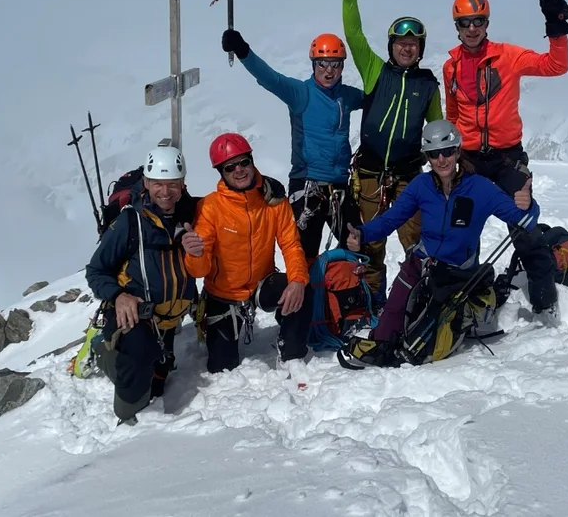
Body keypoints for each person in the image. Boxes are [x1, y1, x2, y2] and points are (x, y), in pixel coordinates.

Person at [345, 120, 537, 362]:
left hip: (457, 275)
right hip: (420, 264)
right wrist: (363, 234)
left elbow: (524, 222)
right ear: (428, 157)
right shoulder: (421, 186)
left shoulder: (480, 188)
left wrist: (528, 204)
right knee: (385, 330)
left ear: (458, 151)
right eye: (434, 154)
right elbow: (390, 220)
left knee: (424, 344)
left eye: (447, 152)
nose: (442, 159)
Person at [440, 0, 568, 319]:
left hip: (507, 160)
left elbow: (556, 66)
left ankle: (545, 305)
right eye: (465, 22)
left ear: (487, 23)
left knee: (526, 228)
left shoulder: (508, 56)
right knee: (460, 231)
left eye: (478, 21)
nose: (472, 29)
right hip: (469, 161)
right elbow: (454, 115)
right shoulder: (451, 67)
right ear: (456, 26)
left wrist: (556, 28)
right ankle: (463, 300)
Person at [340, 0, 444, 302]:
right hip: (369, 174)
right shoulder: (375, 70)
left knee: (415, 240)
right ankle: (371, 304)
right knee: (371, 241)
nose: (406, 48)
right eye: (401, 43)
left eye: (412, 43)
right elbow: (354, 36)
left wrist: (447, 169)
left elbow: (437, 131)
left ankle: (415, 299)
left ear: (420, 49)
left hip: (410, 177)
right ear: (392, 46)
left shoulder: (428, 85)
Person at [220, 29, 365, 267]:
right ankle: (303, 303)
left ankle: (342, 301)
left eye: (335, 64)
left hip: (340, 187)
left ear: (342, 66)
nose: (329, 70)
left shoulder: (347, 96)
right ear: (313, 64)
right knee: (302, 257)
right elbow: (270, 78)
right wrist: (242, 50)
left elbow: (376, 99)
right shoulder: (301, 93)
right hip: (308, 186)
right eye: (323, 63)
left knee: (356, 248)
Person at [84, 145, 199, 424]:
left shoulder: (193, 215)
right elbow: (96, 270)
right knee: (136, 396)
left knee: (158, 382)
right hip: (135, 317)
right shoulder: (129, 222)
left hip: (168, 322)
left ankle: (139, 357)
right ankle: (105, 353)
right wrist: (119, 296)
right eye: (158, 183)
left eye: (172, 183)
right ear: (146, 183)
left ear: (182, 184)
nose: (165, 191)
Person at [182, 132, 313, 374]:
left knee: (303, 287)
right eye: (230, 167)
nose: (239, 170)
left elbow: (291, 244)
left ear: (252, 161)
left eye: (244, 162)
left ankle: (291, 352)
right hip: (223, 295)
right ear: (221, 173)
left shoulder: (272, 200)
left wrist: (297, 280)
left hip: (261, 284)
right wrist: (195, 253)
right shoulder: (210, 208)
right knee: (222, 367)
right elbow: (198, 270)